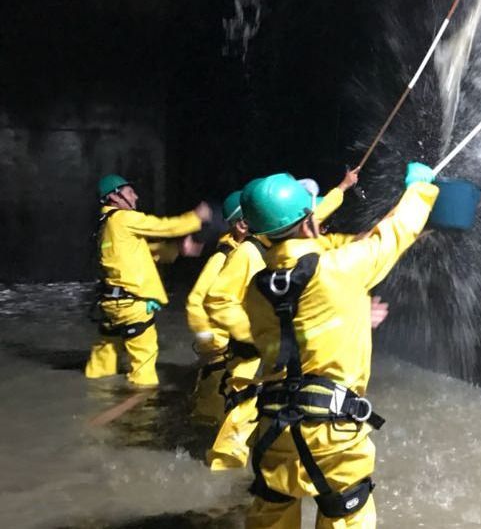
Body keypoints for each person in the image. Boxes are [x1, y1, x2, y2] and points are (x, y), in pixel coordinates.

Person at [240, 162, 437, 529]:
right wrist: (418, 190)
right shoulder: (340, 268)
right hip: (333, 431)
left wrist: (352, 313)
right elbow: (395, 233)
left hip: (274, 428)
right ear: (308, 221)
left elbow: (296, 333)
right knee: (347, 515)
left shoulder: (256, 290)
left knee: (271, 515)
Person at [204, 169, 362, 470]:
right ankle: (221, 469)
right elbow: (217, 299)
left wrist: (342, 187)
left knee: (268, 409)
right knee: (243, 407)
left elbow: (312, 214)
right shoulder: (248, 252)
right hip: (255, 350)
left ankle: (259, 472)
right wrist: (254, 334)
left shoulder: (278, 239)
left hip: (275, 346)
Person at [86, 174, 211, 386]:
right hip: (132, 305)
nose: (135, 196)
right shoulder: (124, 218)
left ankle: (94, 393)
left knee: (103, 357)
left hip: (110, 305)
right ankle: (142, 402)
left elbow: (139, 252)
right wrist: (196, 218)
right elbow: (164, 227)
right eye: (129, 192)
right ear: (114, 197)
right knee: (144, 362)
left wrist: (176, 249)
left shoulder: (105, 224)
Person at [186, 190, 245, 422]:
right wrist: (209, 340)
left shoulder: (249, 253)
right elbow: (195, 300)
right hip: (221, 350)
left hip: (238, 347)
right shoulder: (222, 257)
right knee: (211, 412)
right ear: (241, 224)